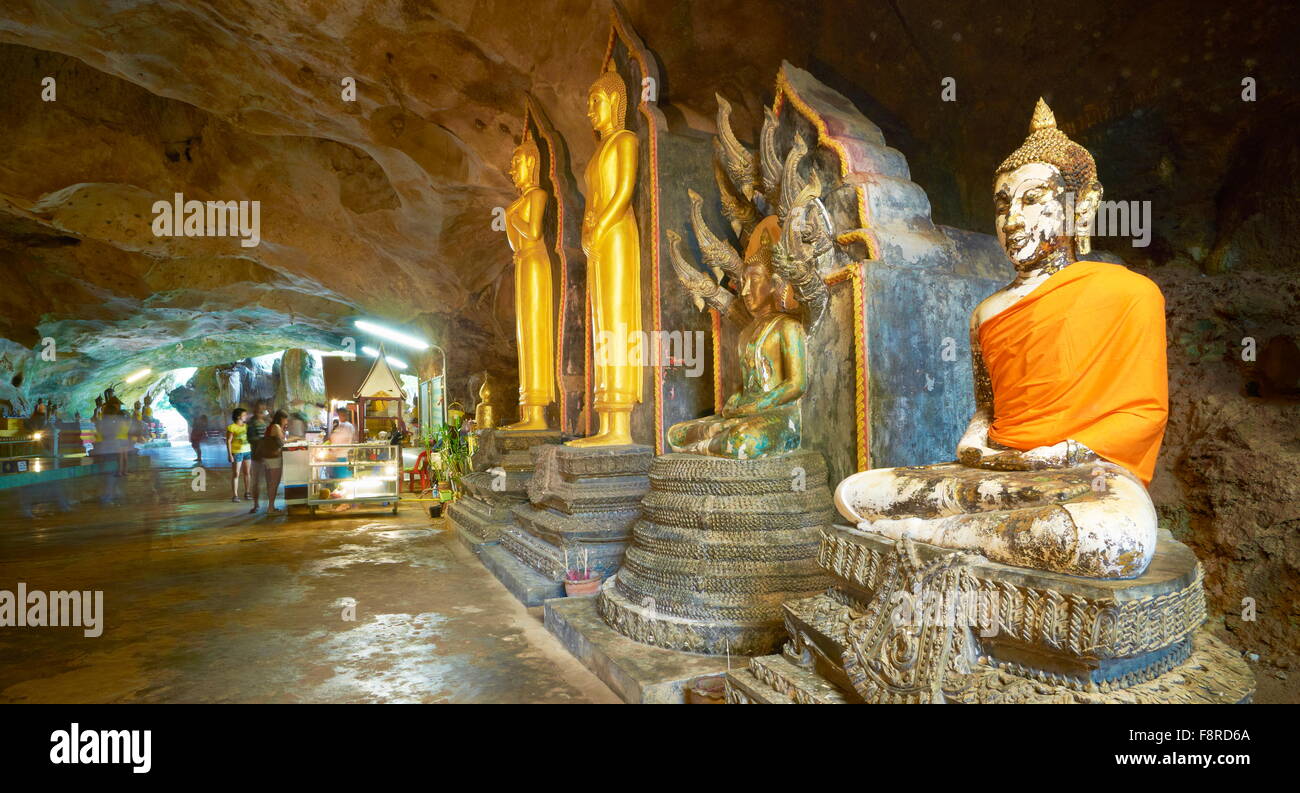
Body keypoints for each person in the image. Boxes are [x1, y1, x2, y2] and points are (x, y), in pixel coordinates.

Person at [257, 410, 289, 514]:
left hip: (268, 458)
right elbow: (283, 441)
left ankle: (271, 507)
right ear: (281, 418)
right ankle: (271, 508)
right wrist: (285, 429)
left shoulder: (273, 426)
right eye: (285, 419)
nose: (286, 421)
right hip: (273, 458)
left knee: (271, 483)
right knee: (274, 483)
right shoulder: (276, 427)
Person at [246, 401, 270, 514]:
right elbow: (251, 439)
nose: (262, 411)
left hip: (268, 455)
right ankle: (256, 504)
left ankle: (269, 504)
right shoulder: (252, 423)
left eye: (263, 409)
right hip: (257, 455)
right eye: (260, 409)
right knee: (256, 482)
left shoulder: (266, 421)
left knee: (270, 481)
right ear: (256, 409)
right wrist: (264, 441)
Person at [226, 408, 252, 503]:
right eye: (244, 415)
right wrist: (230, 455)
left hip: (247, 451)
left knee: (247, 473)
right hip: (236, 452)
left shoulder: (246, 426)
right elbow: (228, 441)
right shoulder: (231, 427)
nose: (246, 416)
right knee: (236, 474)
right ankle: (235, 495)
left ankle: (247, 492)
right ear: (238, 416)